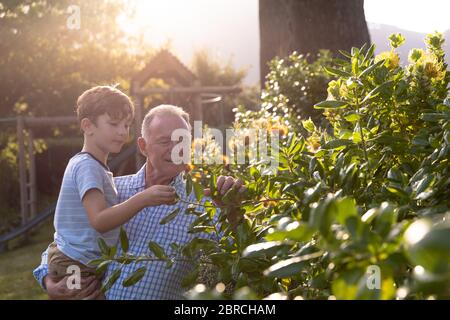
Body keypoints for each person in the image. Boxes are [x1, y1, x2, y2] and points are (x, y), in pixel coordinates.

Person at [33, 104, 245, 299]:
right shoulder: (113, 190)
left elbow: (241, 257)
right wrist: (50, 282)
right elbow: (65, 240)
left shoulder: (203, 205)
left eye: (183, 140)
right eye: (164, 141)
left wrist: (234, 213)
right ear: (143, 146)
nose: (176, 148)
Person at [45, 87, 178, 298]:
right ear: (88, 126)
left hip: (83, 261)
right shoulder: (87, 167)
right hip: (76, 263)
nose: (122, 132)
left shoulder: (98, 168)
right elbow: (99, 219)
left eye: (126, 125)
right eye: (114, 124)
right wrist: (143, 199)